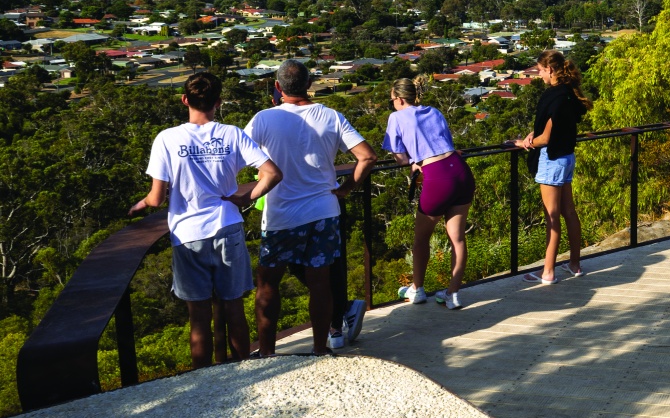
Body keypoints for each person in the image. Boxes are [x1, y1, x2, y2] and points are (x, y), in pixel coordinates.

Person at [129, 72, 282, 368]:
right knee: (233, 307)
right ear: (218, 102)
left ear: (185, 100)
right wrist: (246, 198)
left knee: (198, 317)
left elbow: (156, 198)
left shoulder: (167, 139)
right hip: (227, 225)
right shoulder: (232, 134)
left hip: (188, 234)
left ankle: (202, 382)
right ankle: (246, 372)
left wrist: (141, 205)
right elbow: (273, 173)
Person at [245, 60, 377, 355]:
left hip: (280, 215)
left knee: (268, 285)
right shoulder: (331, 116)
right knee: (320, 284)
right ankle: (320, 348)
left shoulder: (263, 119)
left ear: (277, 87)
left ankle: (267, 353)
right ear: (309, 85)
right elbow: (367, 157)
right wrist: (346, 189)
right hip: (324, 212)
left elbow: (237, 158)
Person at [384, 78, 475, 310]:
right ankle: (453, 294)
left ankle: (417, 289)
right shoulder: (433, 111)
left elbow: (400, 156)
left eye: (392, 99)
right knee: (457, 238)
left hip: (437, 176)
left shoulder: (396, 118)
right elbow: (447, 143)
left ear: (400, 99)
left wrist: (413, 163)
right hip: (460, 170)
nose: (392, 103)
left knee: (421, 238)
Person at [515, 49, 590, 284]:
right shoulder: (569, 94)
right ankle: (574, 264)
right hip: (567, 157)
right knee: (569, 212)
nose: (539, 75)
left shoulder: (554, 96)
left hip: (552, 158)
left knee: (552, 217)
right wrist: (533, 134)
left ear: (549, 69)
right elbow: (552, 126)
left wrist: (524, 143)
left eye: (540, 71)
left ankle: (547, 272)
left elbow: (546, 138)